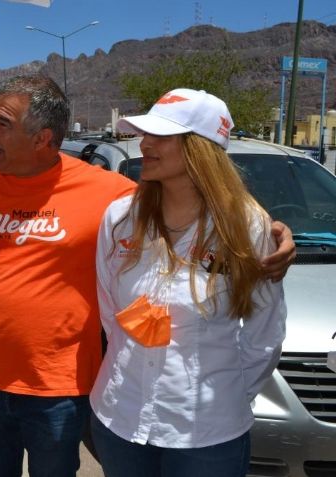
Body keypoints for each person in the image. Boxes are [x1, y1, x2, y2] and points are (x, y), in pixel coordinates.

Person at [0, 75, 295, 477]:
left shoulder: (110, 194)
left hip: (71, 394)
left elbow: (260, 328)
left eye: (2, 124)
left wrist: (273, 232)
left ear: (43, 137)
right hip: (4, 387)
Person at [90, 89, 286, 477]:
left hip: (207, 439)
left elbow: (264, 336)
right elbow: (110, 312)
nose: (143, 143)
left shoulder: (248, 227)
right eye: (145, 133)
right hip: (119, 419)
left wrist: (225, 397)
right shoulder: (120, 217)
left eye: (161, 136)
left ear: (201, 148)